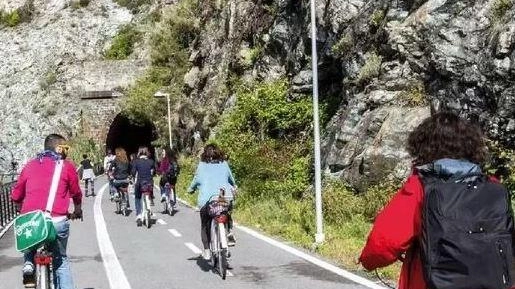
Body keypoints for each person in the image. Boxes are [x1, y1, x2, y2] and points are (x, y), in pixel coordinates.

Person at [358, 112, 505, 289]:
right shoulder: (494, 188)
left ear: (423, 147)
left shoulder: (420, 187)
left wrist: (367, 261)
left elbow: (384, 242)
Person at [11, 134, 82, 289]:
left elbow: (16, 194)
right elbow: (76, 192)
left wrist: (19, 207)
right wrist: (77, 209)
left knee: (31, 235)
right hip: (56, 221)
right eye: (65, 148)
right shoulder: (66, 166)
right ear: (59, 148)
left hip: (33, 220)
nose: (66, 152)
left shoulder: (29, 166)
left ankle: (29, 264)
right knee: (61, 262)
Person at [187, 143, 237, 260]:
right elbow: (232, 180)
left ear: (205, 154)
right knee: (227, 212)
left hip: (207, 202)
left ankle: (207, 251)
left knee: (205, 224)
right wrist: (234, 186)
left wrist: (190, 189)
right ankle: (229, 231)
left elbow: (195, 181)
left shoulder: (202, 165)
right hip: (223, 198)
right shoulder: (224, 164)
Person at [131, 146, 155, 226]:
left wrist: (133, 176)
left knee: (137, 198)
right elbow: (154, 172)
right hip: (149, 183)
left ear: (139, 153)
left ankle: (138, 215)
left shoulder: (136, 162)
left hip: (140, 183)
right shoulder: (151, 161)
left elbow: (133, 173)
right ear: (147, 152)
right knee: (149, 192)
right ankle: (150, 204)